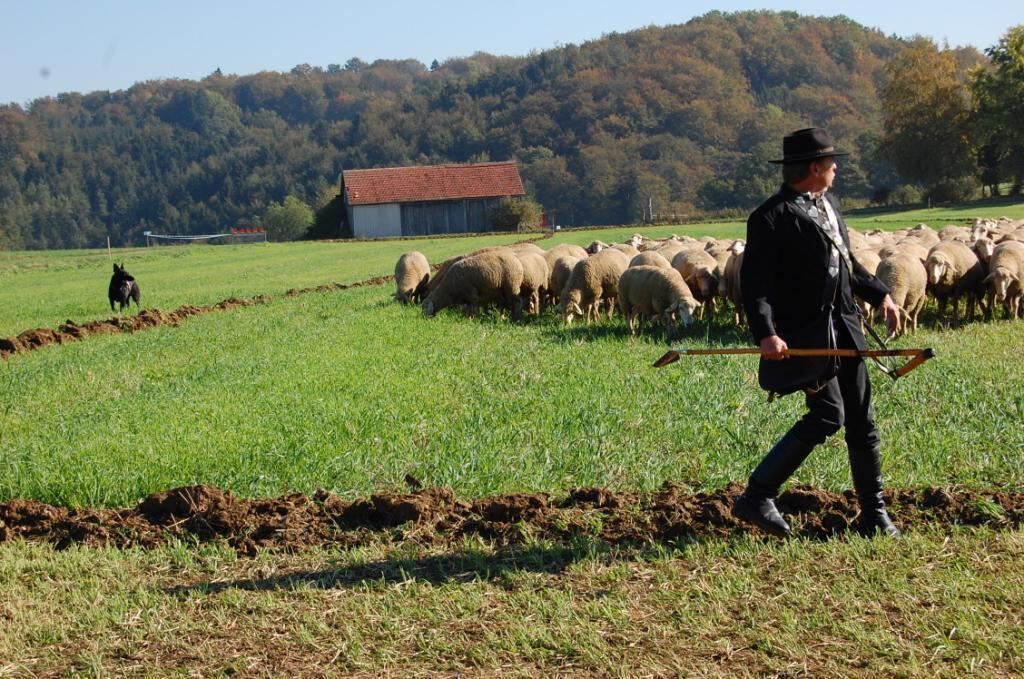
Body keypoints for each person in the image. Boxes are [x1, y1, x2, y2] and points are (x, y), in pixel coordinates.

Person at [733, 127, 903, 538]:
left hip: (846, 327)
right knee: (829, 415)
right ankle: (758, 495)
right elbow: (754, 286)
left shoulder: (830, 206)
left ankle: (874, 515)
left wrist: (881, 296)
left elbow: (846, 265)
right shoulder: (770, 217)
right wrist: (766, 334)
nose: (836, 168)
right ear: (814, 168)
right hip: (805, 336)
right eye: (830, 163)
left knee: (862, 421)